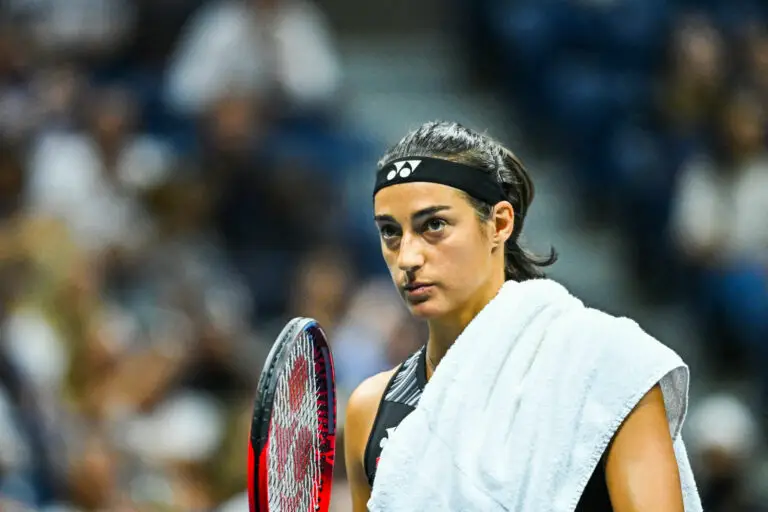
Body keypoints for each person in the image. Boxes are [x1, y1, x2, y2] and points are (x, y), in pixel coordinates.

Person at [343, 121, 687, 511]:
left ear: (500, 223)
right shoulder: (369, 410)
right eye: (390, 232)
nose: (407, 258)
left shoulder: (608, 367)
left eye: (434, 225)